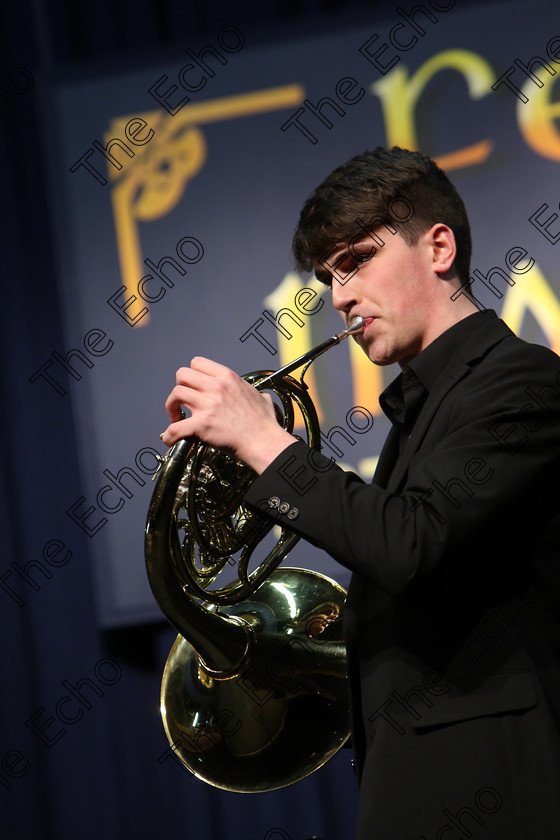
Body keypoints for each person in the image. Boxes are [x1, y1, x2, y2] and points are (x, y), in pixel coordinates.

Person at [161, 147, 560, 838]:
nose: (339, 295)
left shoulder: (521, 381)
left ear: (438, 248)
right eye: (327, 276)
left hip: (499, 792)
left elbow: (410, 543)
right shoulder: (420, 411)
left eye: (357, 261)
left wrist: (262, 442)